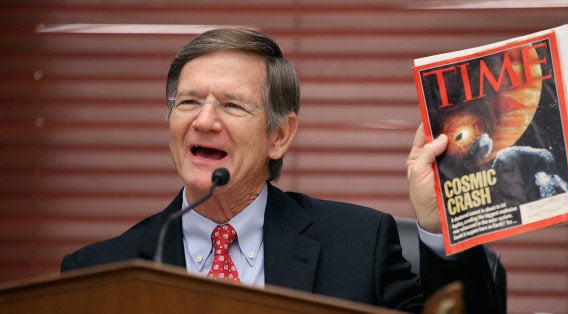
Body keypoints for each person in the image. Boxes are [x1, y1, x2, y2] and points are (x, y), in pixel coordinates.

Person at [60, 28, 506, 313]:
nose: (204, 121)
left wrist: (442, 222)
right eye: (189, 102)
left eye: (232, 105)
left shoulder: (359, 244)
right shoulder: (96, 272)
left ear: (280, 136)